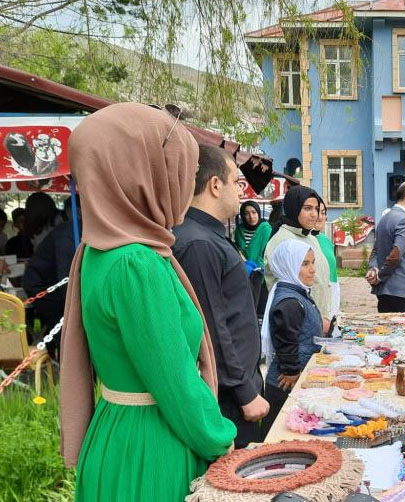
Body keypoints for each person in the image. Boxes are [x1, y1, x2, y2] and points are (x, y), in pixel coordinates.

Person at [58, 103, 235, 501]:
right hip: (153, 446)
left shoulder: (99, 251)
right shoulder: (137, 264)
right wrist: (221, 439)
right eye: (177, 172)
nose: (180, 187)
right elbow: (176, 385)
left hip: (118, 433)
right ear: (142, 172)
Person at [172, 145, 269, 449]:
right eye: (236, 182)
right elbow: (211, 327)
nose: (241, 191)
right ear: (215, 185)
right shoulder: (197, 244)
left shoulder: (208, 235)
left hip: (239, 387)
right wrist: (244, 392)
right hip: (228, 399)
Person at [260, 239, 322, 437]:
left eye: (312, 263)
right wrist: (291, 370)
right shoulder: (289, 301)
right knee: (281, 434)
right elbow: (286, 338)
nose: (312, 269)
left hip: (294, 376)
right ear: (288, 266)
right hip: (285, 382)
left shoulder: (295, 292)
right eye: (304, 264)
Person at [264, 186, 332, 330]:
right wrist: (315, 318)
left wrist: (324, 315)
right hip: (299, 323)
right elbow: (286, 289)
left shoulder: (310, 238)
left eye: (316, 209)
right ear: (294, 208)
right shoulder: (283, 240)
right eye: (307, 208)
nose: (314, 214)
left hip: (319, 318)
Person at [22, 201, 80, 360]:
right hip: (41, 286)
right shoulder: (68, 233)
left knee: (65, 324)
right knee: (66, 326)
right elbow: (65, 273)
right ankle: (64, 364)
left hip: (51, 282)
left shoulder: (74, 230)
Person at [366, 181, 405, 313]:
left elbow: (376, 250)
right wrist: (379, 275)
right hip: (404, 290)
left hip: (384, 292)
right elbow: (396, 253)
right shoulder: (404, 220)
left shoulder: (384, 219)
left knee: (389, 331)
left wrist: (372, 269)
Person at [315, 200, 340, 317]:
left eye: (323, 213)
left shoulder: (326, 240)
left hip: (332, 293)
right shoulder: (305, 241)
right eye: (317, 212)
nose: (320, 217)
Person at [235, 201, 273, 268]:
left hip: (260, 271)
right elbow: (238, 250)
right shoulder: (239, 230)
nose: (251, 217)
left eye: (254, 212)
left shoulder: (266, 229)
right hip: (242, 270)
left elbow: (267, 255)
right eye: (247, 214)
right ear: (243, 216)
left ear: (258, 213)